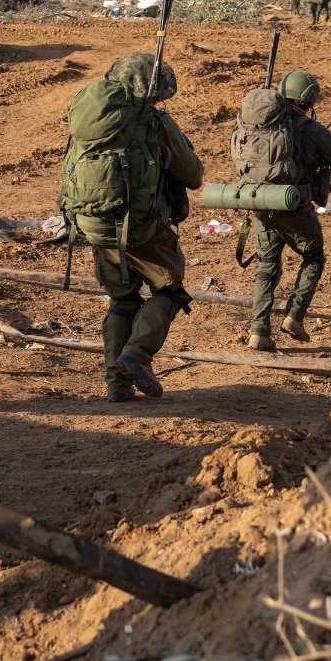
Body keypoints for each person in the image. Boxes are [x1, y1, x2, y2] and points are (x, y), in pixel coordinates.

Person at [66, 53, 204, 402]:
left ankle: (117, 383)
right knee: (170, 291)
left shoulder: (87, 117)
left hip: (94, 224)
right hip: (143, 228)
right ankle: (137, 356)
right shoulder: (152, 122)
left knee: (122, 300)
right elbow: (193, 175)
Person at [246, 70, 331, 351]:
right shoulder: (310, 128)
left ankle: (258, 331)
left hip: (261, 202)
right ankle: (295, 316)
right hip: (293, 204)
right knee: (314, 256)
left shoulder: (257, 124)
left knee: (267, 266)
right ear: (310, 98)